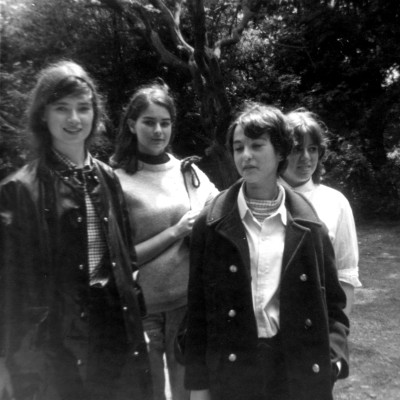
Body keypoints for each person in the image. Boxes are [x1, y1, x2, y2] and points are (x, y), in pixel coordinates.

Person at [0, 60, 152, 400]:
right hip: (52, 344)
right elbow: (7, 284)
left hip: (116, 333)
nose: (74, 119)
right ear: (43, 114)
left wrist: (137, 324)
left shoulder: (107, 176)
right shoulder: (18, 191)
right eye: (62, 108)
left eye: (83, 108)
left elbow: (127, 260)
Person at [184, 103, 350, 400]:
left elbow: (334, 306)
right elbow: (197, 313)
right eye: (238, 147)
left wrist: (334, 360)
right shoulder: (210, 224)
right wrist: (198, 386)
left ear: (281, 151)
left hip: (293, 373)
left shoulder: (309, 225)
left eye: (256, 145)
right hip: (233, 372)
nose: (245, 155)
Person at [111, 82, 219, 400]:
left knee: (187, 393)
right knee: (150, 394)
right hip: (142, 311)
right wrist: (176, 232)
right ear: (132, 124)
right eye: (149, 122)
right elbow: (120, 258)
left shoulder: (188, 171)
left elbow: (219, 213)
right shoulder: (115, 180)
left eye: (165, 122)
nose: (158, 131)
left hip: (186, 306)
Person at [279, 109, 362, 315]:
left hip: (316, 318)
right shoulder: (260, 198)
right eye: (297, 149)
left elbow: (345, 274)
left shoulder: (335, 202)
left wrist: (339, 330)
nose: (306, 157)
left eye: (313, 149)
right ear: (280, 153)